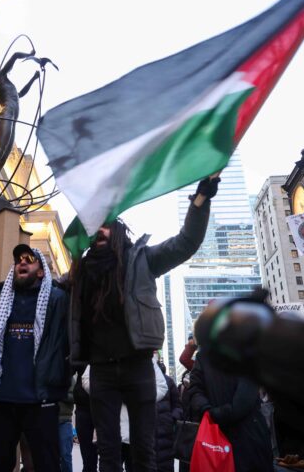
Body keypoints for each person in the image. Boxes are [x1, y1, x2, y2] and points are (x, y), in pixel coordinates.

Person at [69, 176, 218, 472]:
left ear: (118, 231)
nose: (99, 230)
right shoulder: (80, 272)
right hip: (100, 370)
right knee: (107, 452)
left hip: (138, 367)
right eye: (94, 226)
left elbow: (186, 242)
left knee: (144, 451)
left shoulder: (142, 260)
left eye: (106, 224)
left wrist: (201, 200)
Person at [0, 244, 70, 471]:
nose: (22, 262)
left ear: (41, 270)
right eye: (18, 260)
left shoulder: (58, 300)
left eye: (29, 259)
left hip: (41, 399)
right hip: (2, 399)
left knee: (47, 465)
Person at [188, 349, 274, 472]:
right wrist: (206, 409)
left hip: (248, 437)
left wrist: (217, 413)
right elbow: (195, 389)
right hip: (216, 437)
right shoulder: (203, 356)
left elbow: (243, 400)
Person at [82, 358, 168, 471]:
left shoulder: (144, 355)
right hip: (110, 428)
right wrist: (112, 396)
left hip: (139, 431)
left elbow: (161, 386)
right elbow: (86, 379)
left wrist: (136, 397)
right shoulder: (103, 350)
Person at [0, 50, 40, 191]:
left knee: (3, 156)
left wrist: (33, 79)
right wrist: (29, 54)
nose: (3, 71)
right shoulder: (1, 78)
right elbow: (15, 55)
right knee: (0, 151)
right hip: (6, 116)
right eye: (0, 71)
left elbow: (20, 93)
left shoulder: (7, 87)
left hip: (11, 119)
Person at [155, 361, 182, 472]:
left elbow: (178, 406)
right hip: (149, 430)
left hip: (165, 430)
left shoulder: (169, 382)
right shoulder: (142, 381)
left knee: (165, 463)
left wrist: (171, 419)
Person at [73, 365, 98, 472]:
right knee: (88, 460)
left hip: (106, 408)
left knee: (110, 457)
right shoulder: (83, 349)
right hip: (83, 407)